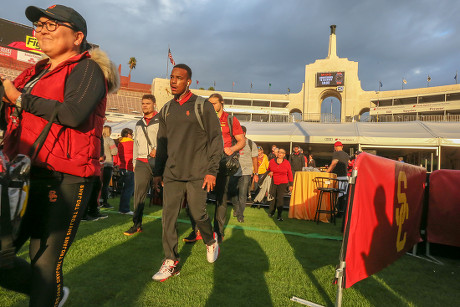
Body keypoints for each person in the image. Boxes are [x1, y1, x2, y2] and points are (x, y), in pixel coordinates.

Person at [0, 4, 118, 306]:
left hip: (65, 176)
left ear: (77, 36)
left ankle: (47, 294)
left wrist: (20, 98)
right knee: (3, 253)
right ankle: (51, 294)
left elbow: (73, 113)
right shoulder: (37, 71)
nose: (40, 30)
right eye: (39, 25)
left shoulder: (88, 68)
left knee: (44, 261)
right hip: (24, 173)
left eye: (51, 25)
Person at [152, 64, 223, 282]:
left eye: (179, 78)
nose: (173, 81)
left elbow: (215, 140)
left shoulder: (202, 106)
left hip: (198, 173)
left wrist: (212, 171)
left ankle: (210, 240)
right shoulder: (165, 109)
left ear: (188, 81)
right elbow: (161, 144)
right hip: (172, 173)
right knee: (168, 217)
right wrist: (158, 172)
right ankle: (171, 260)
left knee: (197, 213)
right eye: (172, 77)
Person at [209, 93, 246, 242]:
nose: (211, 106)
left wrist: (232, 148)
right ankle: (197, 229)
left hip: (223, 162)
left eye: (214, 103)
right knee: (197, 196)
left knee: (221, 198)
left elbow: (241, 141)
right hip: (205, 161)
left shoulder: (230, 119)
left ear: (221, 103)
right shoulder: (206, 119)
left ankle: (218, 231)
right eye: (209, 104)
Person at [124, 94, 159, 235]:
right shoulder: (138, 123)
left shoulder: (161, 120)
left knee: (167, 195)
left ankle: (170, 227)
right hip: (141, 163)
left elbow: (167, 140)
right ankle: (136, 224)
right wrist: (134, 161)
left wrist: (158, 149)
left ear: (154, 104)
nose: (145, 106)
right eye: (143, 103)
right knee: (139, 196)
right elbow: (136, 146)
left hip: (158, 162)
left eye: (148, 103)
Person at [231, 126, 259, 222]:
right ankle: (236, 208)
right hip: (233, 172)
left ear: (244, 133)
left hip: (246, 172)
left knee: (242, 194)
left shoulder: (251, 144)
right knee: (232, 192)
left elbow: (255, 159)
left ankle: (240, 215)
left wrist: (256, 173)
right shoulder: (233, 143)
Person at [267, 148, 293, 221]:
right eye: (278, 152)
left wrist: (291, 184)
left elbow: (290, 174)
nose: (279, 154)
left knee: (280, 199)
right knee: (273, 197)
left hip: (283, 182)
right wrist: (269, 172)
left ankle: (279, 215)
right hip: (273, 182)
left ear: (284, 155)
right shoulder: (272, 161)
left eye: (281, 153)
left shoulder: (287, 163)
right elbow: (268, 170)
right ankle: (271, 212)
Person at [326, 141, 350, 214]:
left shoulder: (336, 153)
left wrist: (327, 172)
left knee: (337, 195)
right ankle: (342, 212)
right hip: (345, 177)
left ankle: (337, 212)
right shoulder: (346, 154)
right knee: (343, 195)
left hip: (338, 177)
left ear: (335, 147)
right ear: (342, 146)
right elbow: (349, 163)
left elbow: (333, 163)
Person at [117, 128, 134, 215]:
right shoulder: (131, 143)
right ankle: (125, 209)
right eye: (131, 134)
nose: (132, 136)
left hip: (122, 167)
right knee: (129, 189)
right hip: (129, 167)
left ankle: (122, 208)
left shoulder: (120, 143)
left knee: (125, 189)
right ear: (128, 134)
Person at [100, 125, 118, 208]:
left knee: (99, 184)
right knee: (106, 184)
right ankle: (104, 202)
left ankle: (98, 201)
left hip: (99, 164)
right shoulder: (109, 140)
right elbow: (114, 152)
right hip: (107, 164)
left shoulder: (99, 139)